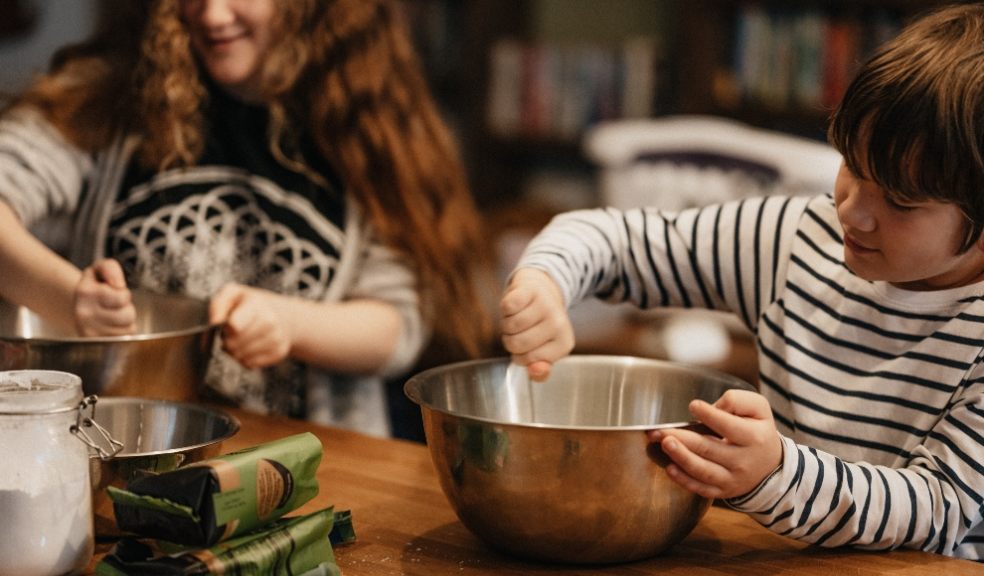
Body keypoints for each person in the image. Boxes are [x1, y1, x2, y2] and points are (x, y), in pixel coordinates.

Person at [500, 4, 984, 560]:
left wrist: (776, 472)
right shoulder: (795, 239)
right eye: (853, 164)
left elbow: (939, 509)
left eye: (899, 201)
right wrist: (545, 282)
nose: (854, 212)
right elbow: (613, 239)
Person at [0, 0, 492, 437]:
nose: (211, 15)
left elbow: (397, 328)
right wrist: (70, 299)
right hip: (114, 447)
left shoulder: (368, 126)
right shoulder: (108, 98)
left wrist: (288, 322)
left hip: (305, 467)